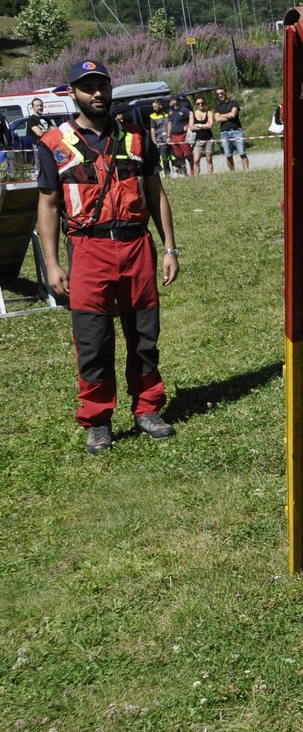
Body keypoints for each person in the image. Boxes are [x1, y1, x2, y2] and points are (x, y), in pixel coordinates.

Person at [34, 60, 179, 454]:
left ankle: (147, 409)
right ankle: (98, 420)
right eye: (88, 87)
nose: (97, 93)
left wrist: (169, 247)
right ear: (73, 93)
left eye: (102, 85)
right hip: (88, 249)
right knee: (93, 341)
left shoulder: (135, 138)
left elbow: (156, 192)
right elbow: (48, 205)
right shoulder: (54, 145)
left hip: (137, 247)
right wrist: (51, 262)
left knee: (145, 335)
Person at [214, 87, 248, 172]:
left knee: (242, 152)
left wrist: (222, 115)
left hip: (236, 131)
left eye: (221, 93)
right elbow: (217, 119)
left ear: (225, 92)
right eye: (218, 94)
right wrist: (228, 115)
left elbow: (233, 114)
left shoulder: (234, 103)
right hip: (224, 132)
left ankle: (247, 171)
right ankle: (232, 172)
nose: (220, 95)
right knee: (228, 155)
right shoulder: (217, 106)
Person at [188, 94, 215, 174]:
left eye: (202, 103)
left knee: (209, 159)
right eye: (198, 104)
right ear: (196, 105)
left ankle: (210, 176)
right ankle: (196, 177)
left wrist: (199, 125)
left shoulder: (209, 112)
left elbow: (210, 125)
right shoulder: (192, 114)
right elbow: (191, 127)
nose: (200, 105)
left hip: (209, 139)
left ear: (204, 103)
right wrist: (204, 126)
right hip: (198, 140)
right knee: (196, 160)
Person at [165, 96, 191, 177]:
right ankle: (183, 173)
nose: (169, 102)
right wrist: (168, 136)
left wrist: (188, 125)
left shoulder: (184, 110)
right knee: (179, 156)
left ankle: (193, 171)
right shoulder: (170, 111)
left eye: (171, 100)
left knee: (188, 154)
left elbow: (191, 118)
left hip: (182, 135)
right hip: (174, 136)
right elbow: (169, 124)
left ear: (175, 101)